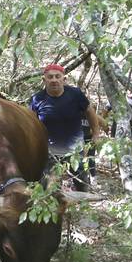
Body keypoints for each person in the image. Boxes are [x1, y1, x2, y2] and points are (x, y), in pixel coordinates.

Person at [30, 64, 100, 192]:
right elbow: (31, 123)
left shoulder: (76, 94)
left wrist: (96, 133)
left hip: (75, 151)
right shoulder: (37, 99)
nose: (54, 80)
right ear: (44, 80)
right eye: (50, 77)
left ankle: (82, 208)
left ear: (64, 79)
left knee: (82, 185)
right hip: (49, 153)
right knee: (47, 188)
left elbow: (90, 112)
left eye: (58, 76)